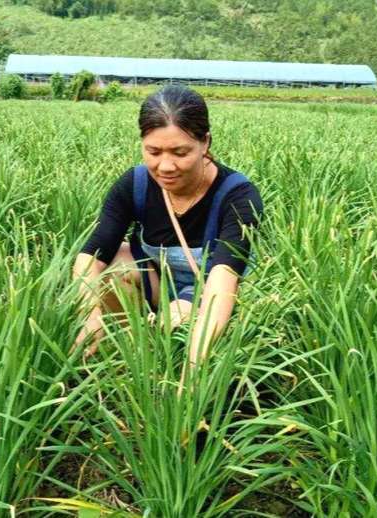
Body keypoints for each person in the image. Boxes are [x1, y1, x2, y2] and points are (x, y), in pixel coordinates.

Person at [70, 85, 263, 393]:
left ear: (205, 143)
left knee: (194, 322)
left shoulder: (237, 195)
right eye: (154, 152)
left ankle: (177, 355)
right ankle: (127, 355)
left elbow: (224, 281)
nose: (166, 166)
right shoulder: (134, 185)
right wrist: (90, 316)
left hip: (214, 288)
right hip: (158, 282)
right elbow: (90, 256)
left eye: (180, 152)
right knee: (112, 265)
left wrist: (193, 369)